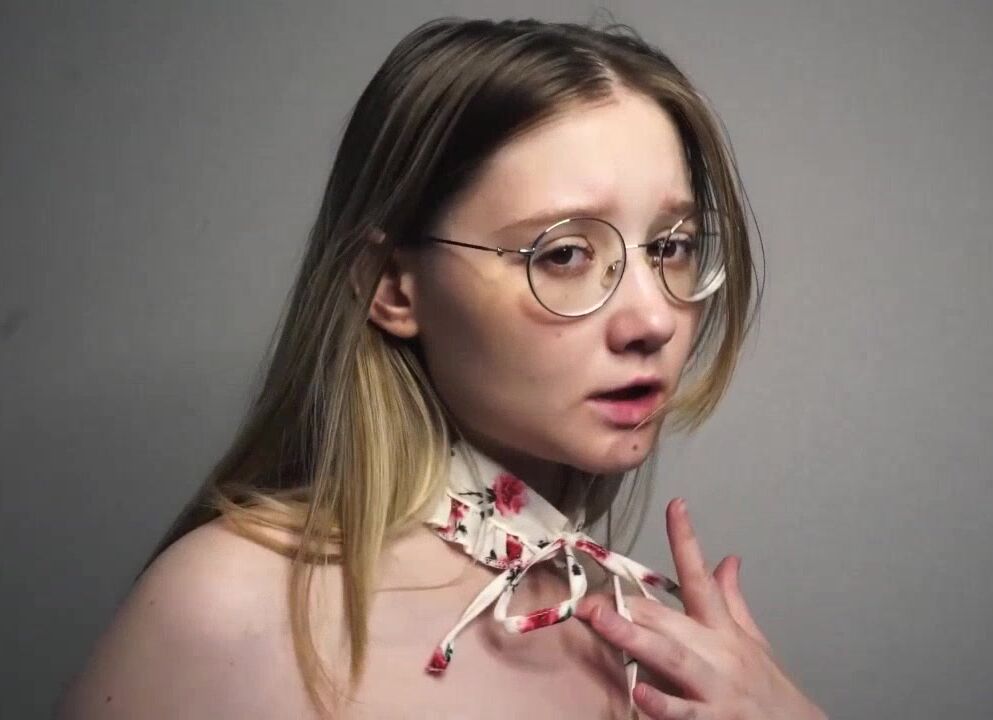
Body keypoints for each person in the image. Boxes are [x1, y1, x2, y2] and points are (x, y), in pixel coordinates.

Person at [59, 17, 827, 720]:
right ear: (393, 286)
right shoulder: (229, 610)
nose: (653, 319)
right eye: (563, 254)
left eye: (671, 247)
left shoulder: (650, 643)